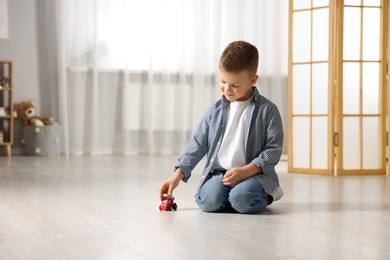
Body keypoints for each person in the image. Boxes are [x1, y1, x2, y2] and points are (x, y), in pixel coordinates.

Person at [159, 40, 284, 214]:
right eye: (223, 81)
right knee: (207, 202)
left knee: (242, 199)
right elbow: (197, 143)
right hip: (221, 175)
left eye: (235, 85)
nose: (227, 89)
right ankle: (233, 196)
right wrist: (177, 176)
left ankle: (265, 193)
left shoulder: (268, 110)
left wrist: (245, 171)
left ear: (253, 80)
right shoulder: (215, 110)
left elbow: (273, 150)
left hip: (254, 174)